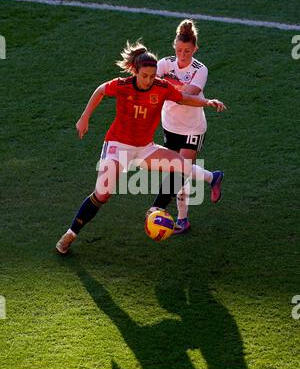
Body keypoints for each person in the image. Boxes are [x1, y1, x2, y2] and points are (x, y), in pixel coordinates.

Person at [56, 40, 226, 255]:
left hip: (144, 148)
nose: (148, 80)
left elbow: (183, 98)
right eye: (144, 76)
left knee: (182, 165)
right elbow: (100, 90)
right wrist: (84, 117)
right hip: (118, 146)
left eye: (152, 76)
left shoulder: (161, 87)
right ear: (135, 72)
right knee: (102, 194)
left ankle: (214, 177)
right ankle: (70, 234)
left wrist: (207, 102)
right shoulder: (122, 85)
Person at [155, 19, 224, 234]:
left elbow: (187, 96)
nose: (182, 55)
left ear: (195, 48)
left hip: (192, 128)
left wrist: (167, 85)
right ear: (174, 46)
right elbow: (154, 87)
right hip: (169, 125)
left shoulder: (200, 69)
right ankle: (212, 177)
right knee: (180, 170)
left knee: (179, 170)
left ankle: (173, 215)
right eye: (178, 50)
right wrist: (167, 86)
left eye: (187, 51)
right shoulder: (165, 64)